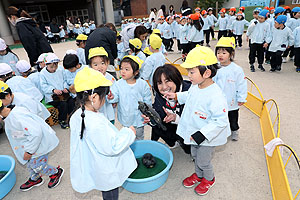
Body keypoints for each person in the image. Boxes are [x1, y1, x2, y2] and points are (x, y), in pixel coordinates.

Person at [164, 46, 230, 196]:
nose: (188, 75)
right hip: (194, 132)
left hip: (206, 138)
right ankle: (198, 175)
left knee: (203, 161)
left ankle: (209, 179)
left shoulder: (216, 96)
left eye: (191, 72)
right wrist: (176, 96)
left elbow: (220, 121)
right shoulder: (196, 86)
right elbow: (189, 96)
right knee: (194, 155)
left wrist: (202, 134)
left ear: (206, 73)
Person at [70, 67, 137, 198]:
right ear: (94, 97)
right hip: (105, 168)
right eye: (104, 97)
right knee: (110, 190)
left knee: (103, 185)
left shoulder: (77, 115)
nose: (105, 100)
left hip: (92, 162)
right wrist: (129, 133)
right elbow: (112, 147)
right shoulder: (95, 123)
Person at [0, 99, 63, 191]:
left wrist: (29, 151)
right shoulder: (10, 114)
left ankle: (55, 173)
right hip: (29, 144)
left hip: (37, 145)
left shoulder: (17, 117)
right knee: (30, 165)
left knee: (38, 166)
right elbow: (20, 132)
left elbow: (36, 133)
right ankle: (35, 179)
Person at [143, 64, 191, 153]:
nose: (164, 87)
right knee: (157, 122)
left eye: (168, 81)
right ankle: (173, 141)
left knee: (189, 150)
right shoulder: (160, 94)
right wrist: (151, 119)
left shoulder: (190, 92)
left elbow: (196, 121)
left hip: (189, 127)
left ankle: (188, 146)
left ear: (177, 78)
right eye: (160, 83)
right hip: (174, 124)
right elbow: (158, 114)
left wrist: (176, 118)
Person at [109, 56, 151, 140]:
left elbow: (147, 100)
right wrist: (111, 97)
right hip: (126, 118)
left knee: (139, 137)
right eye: (121, 68)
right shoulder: (118, 84)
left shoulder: (142, 84)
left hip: (139, 118)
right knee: (127, 138)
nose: (122, 71)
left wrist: (148, 113)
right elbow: (114, 97)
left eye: (127, 69)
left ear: (136, 72)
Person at [214, 37, 247, 141]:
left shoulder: (236, 69)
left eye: (224, 53)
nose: (220, 55)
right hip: (218, 100)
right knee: (218, 117)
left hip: (231, 100)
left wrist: (241, 98)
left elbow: (241, 84)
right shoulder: (215, 67)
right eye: (218, 52)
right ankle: (221, 132)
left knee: (232, 117)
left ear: (231, 54)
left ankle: (234, 130)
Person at [40, 53, 73, 129]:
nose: (54, 69)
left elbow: (65, 80)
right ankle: (62, 120)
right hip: (52, 97)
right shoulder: (42, 73)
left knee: (71, 101)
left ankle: (72, 118)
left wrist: (65, 87)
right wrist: (53, 90)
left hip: (63, 94)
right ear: (46, 65)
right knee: (63, 104)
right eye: (51, 67)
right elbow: (43, 86)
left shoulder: (61, 69)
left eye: (56, 66)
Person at [88, 47, 116, 123]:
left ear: (108, 63)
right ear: (91, 66)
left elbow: (116, 92)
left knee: (110, 130)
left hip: (109, 110)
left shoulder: (111, 78)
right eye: (95, 64)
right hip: (96, 112)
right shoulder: (89, 79)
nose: (100, 67)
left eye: (102, 63)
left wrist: (113, 97)